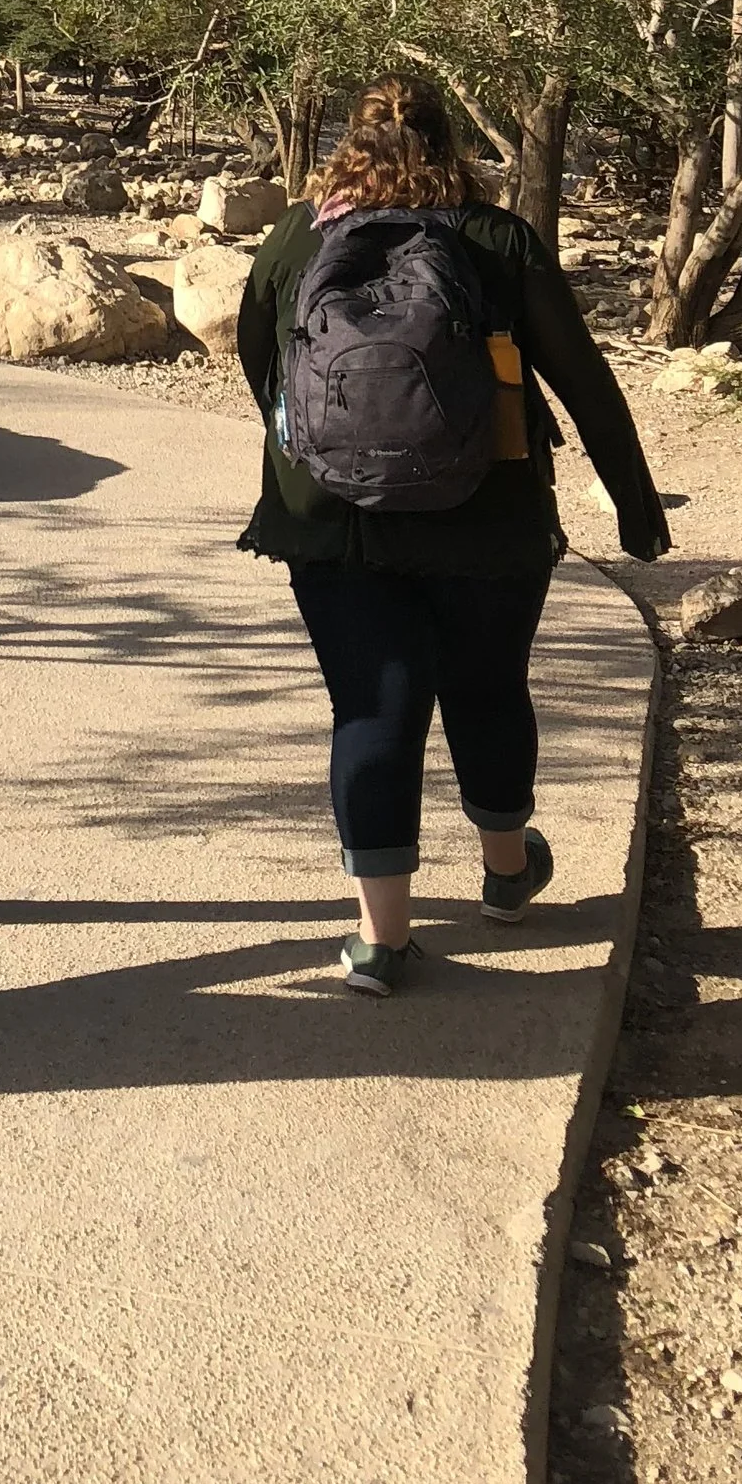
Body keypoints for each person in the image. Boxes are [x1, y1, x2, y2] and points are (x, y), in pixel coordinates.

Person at [235, 73, 670, 998]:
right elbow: (581, 376)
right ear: (448, 143)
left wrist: (326, 446)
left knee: (371, 706)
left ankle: (381, 941)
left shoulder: (294, 235)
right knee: (485, 684)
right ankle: (508, 874)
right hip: (490, 516)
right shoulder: (499, 239)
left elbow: (257, 358)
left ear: (349, 142)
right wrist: (634, 502)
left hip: (332, 522)